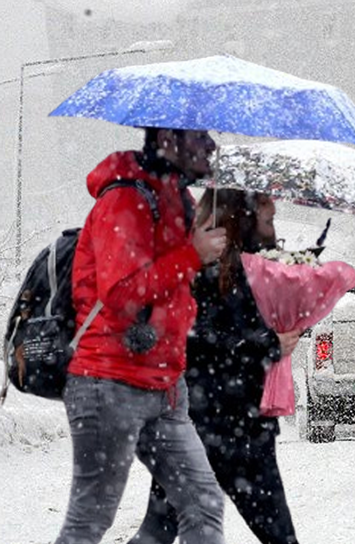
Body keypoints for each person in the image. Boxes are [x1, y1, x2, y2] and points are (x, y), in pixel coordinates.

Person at [56, 128, 229, 544]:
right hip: (109, 382)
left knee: (204, 504)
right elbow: (120, 293)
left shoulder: (177, 200)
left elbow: (173, 285)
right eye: (200, 136)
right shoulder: (127, 198)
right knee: (90, 519)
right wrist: (193, 254)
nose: (211, 145)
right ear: (169, 139)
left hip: (165, 385)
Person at [129, 188, 302, 544]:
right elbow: (197, 341)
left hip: (203, 424)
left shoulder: (251, 269)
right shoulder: (203, 272)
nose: (273, 228)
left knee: (158, 530)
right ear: (245, 221)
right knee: (278, 536)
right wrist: (269, 343)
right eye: (268, 220)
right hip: (229, 428)